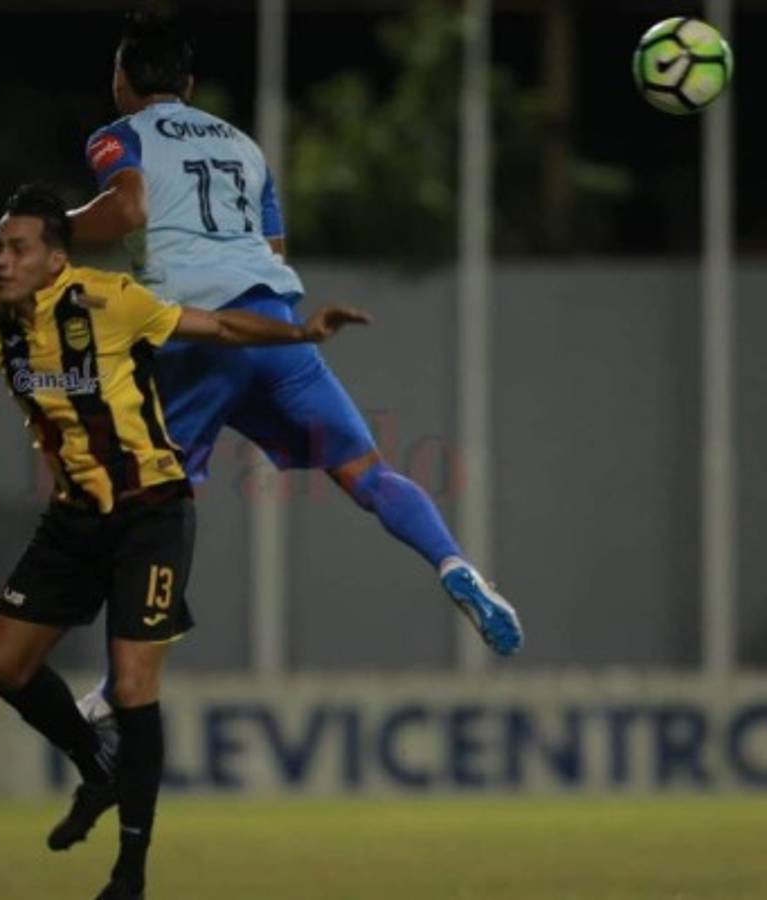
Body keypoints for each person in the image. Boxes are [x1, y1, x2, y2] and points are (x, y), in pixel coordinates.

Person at [0, 184, 367, 900]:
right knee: (2, 667)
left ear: (54, 259)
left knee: (133, 687)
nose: (0, 260)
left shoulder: (109, 299)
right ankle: (96, 769)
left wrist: (302, 333)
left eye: (16, 248)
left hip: (151, 514)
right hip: (72, 522)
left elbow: (219, 330)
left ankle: (130, 871)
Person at [69, 12, 523, 729]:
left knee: (148, 509)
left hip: (196, 333)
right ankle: (453, 565)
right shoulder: (244, 147)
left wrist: (48, 229)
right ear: (187, 84)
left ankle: (112, 682)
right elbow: (270, 245)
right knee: (369, 475)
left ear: (121, 81)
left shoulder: (117, 136)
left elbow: (125, 205)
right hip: (276, 327)